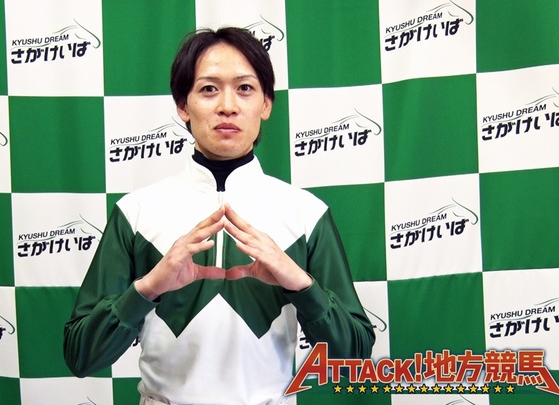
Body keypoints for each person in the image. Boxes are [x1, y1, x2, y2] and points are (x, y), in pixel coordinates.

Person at [64, 27, 374, 405]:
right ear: (183, 105)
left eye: (245, 88)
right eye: (209, 89)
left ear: (266, 104)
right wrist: (148, 288)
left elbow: (354, 359)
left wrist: (300, 284)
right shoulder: (136, 212)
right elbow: (81, 355)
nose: (228, 105)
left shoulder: (306, 213)